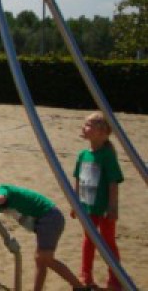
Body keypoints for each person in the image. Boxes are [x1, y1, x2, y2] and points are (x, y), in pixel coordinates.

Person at [0, 184, 89, 291]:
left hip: (48, 217)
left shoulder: (2, 190)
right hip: (45, 220)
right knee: (41, 261)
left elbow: (1, 198)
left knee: (45, 258)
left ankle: (78, 286)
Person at [72, 112, 124, 291]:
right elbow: (78, 179)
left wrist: (112, 207)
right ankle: (85, 275)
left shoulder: (107, 155)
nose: (84, 128)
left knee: (108, 241)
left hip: (103, 207)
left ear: (102, 133)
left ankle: (116, 278)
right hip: (87, 206)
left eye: (88, 125)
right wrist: (75, 203)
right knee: (88, 240)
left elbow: (113, 182)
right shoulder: (83, 155)